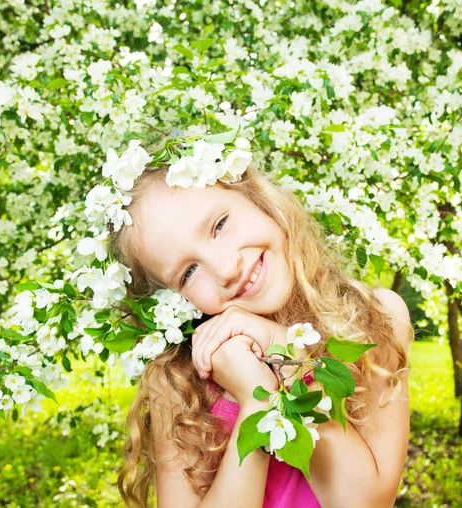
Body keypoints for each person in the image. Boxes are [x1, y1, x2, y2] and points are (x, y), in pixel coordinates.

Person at [112, 146, 413, 507]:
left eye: (219, 225)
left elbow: (364, 502)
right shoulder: (178, 382)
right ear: (174, 300)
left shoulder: (373, 318)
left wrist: (286, 355)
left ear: (256, 198)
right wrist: (256, 399)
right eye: (189, 273)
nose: (226, 269)